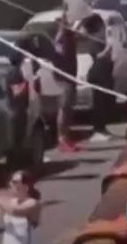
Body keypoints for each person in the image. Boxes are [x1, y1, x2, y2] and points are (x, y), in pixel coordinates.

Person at [0, 172, 42, 244]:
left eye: (15, 182)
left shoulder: (33, 203)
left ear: (26, 186)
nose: (10, 183)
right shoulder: (11, 201)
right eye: (11, 180)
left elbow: (14, 211)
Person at [52, 13, 81, 152]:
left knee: (69, 108)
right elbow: (58, 52)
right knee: (63, 108)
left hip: (71, 75)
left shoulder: (70, 36)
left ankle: (66, 136)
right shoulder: (61, 38)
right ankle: (61, 139)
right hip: (64, 77)